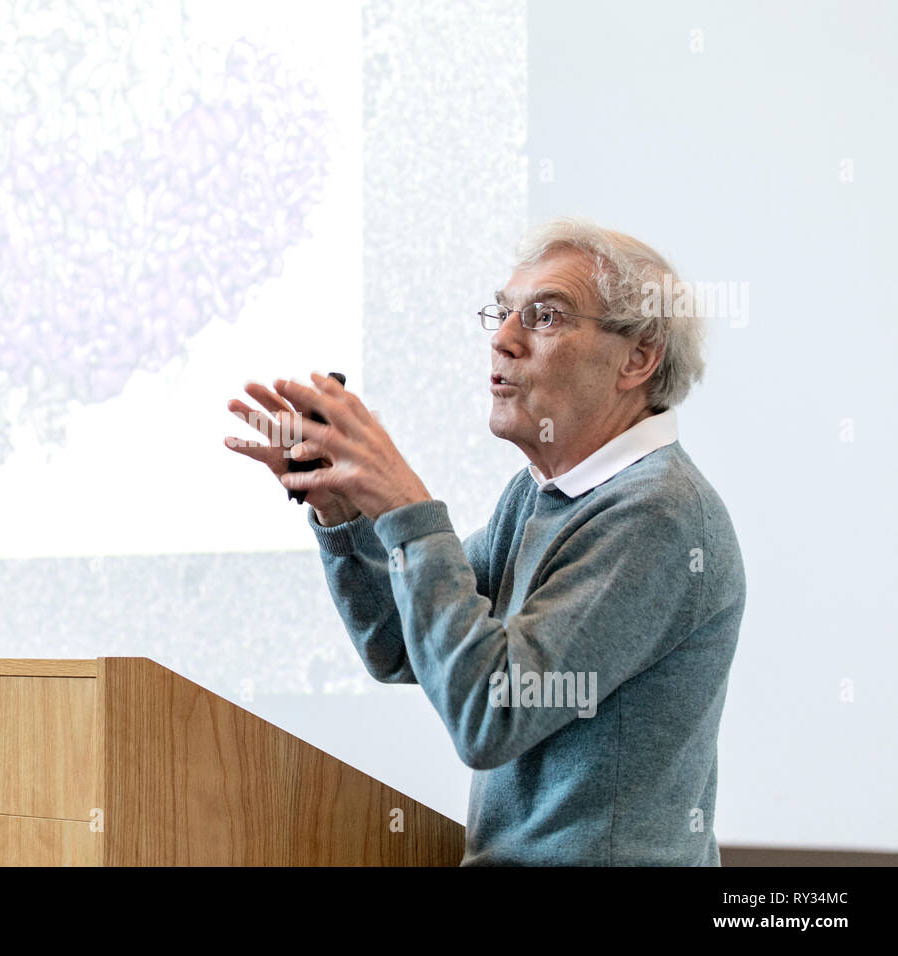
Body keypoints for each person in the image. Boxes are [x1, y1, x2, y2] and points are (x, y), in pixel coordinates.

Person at [223, 217, 746, 865]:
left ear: (638, 357)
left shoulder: (657, 515)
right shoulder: (537, 495)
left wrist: (405, 504)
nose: (502, 339)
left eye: (546, 317)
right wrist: (341, 511)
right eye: (501, 314)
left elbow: (492, 714)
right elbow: (398, 643)